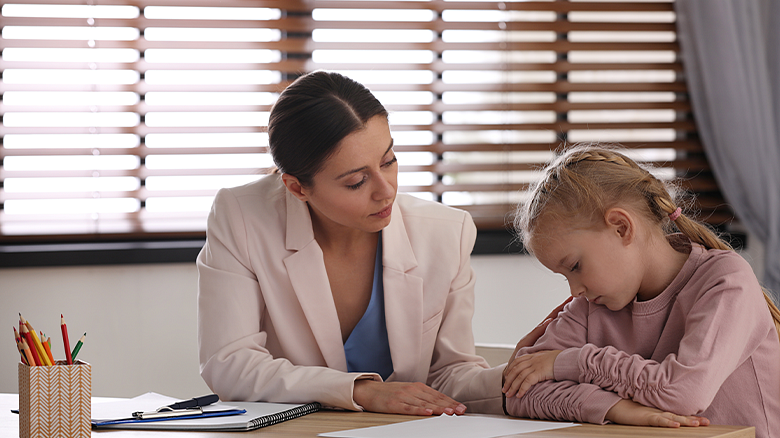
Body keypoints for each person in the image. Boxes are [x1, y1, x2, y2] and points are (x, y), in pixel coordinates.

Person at [197, 70, 558, 416]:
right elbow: (230, 363)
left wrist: (520, 372)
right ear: (297, 187)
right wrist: (359, 391)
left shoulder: (446, 232)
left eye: (389, 161)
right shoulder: (242, 216)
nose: (386, 191)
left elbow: (449, 375)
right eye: (356, 181)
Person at [502, 144, 780, 437]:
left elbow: (683, 393)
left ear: (621, 227)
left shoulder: (724, 281)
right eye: (564, 276)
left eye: (575, 266)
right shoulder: (592, 305)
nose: (575, 289)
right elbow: (517, 392)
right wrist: (616, 408)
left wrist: (575, 362)